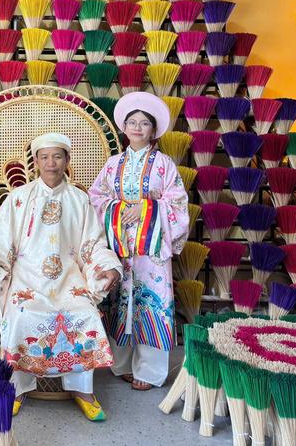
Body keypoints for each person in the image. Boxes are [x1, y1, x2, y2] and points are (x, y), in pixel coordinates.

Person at [0, 132, 122, 422]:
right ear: (35, 161)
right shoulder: (19, 198)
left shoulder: (79, 199)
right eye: (45, 157)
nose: (51, 163)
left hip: (69, 280)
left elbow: (91, 244)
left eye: (57, 156)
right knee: (20, 314)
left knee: (85, 312)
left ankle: (83, 390)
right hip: (27, 279)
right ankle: (17, 387)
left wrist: (107, 265)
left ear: (67, 160)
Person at [89, 91, 190, 391]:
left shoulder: (164, 164)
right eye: (132, 122)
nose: (137, 127)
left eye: (144, 123)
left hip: (151, 250)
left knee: (151, 302)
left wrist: (146, 209)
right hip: (119, 244)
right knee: (118, 300)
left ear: (153, 130)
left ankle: (150, 370)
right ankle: (121, 363)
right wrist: (118, 209)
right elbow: (96, 198)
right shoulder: (112, 164)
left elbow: (178, 203)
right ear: (124, 127)